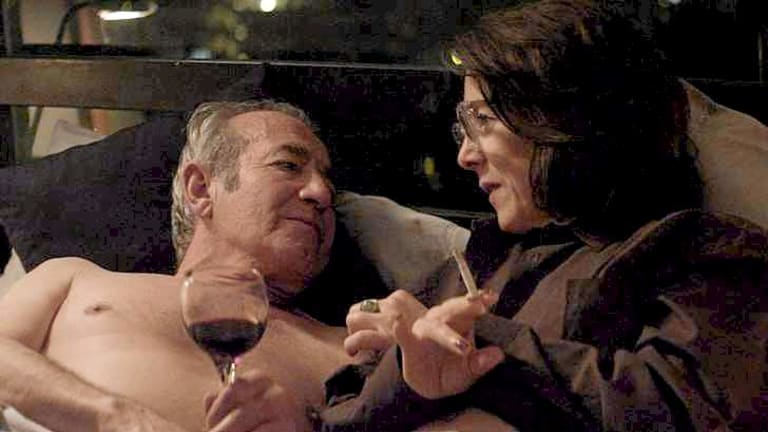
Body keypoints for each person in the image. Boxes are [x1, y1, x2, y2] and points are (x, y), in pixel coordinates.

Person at [322, 1, 768, 431]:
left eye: (482, 121)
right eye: (463, 129)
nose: (465, 156)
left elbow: (685, 407)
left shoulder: (703, 251)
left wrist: (484, 348)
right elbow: (338, 413)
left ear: (566, 119)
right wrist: (406, 364)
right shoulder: (480, 262)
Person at [0, 100, 365, 432]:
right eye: (288, 165)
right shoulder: (74, 279)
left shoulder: (355, 345)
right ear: (201, 189)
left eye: (329, 186)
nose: (321, 193)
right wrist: (114, 416)